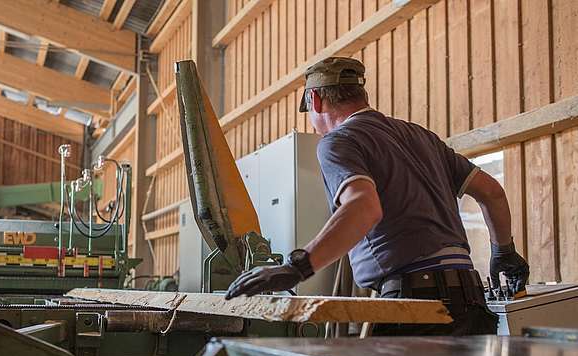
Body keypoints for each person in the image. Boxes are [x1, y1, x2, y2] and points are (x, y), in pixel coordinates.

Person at [224, 57, 529, 336]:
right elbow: (492, 192)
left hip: (416, 309)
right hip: (471, 303)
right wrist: (504, 253)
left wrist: (297, 268)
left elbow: (363, 207)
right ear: (362, 96)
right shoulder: (422, 137)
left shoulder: (337, 142)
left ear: (315, 100)